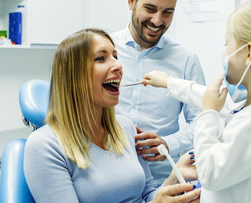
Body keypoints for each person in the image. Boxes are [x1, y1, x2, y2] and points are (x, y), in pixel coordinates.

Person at [141, 0, 251, 202]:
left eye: (226, 44)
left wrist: (208, 114)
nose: (223, 52)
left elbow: (211, 173)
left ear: (249, 52)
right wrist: (169, 82)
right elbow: (212, 98)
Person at [23, 28, 201, 203]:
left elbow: (147, 196)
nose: (118, 65)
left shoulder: (125, 128)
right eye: (101, 58)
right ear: (73, 76)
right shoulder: (43, 146)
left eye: (115, 56)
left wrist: (175, 176)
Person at [111, 0, 205, 186]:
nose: (157, 20)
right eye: (150, 8)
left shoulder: (186, 59)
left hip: (164, 180)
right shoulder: (103, 50)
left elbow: (202, 121)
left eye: (167, 12)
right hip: (108, 179)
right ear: (131, 0)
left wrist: (168, 144)